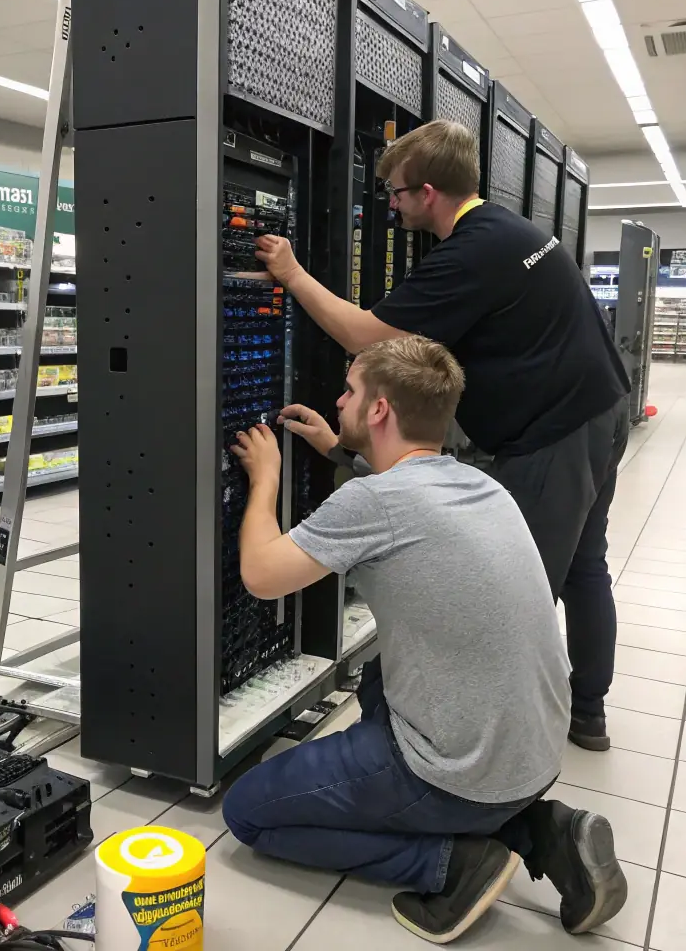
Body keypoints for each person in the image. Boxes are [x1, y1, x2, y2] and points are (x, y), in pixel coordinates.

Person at [220, 335, 627, 944]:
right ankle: (545, 832)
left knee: (246, 813)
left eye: (350, 392)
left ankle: (453, 865)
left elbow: (261, 575)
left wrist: (266, 477)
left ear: (379, 410)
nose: (337, 400)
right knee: (381, 675)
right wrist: (336, 447)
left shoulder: (372, 502)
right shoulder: (479, 484)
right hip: (536, 754)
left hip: (462, 770)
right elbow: (398, 494)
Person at [254, 120, 631, 751]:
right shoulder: (509, 230)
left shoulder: (472, 251)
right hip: (599, 411)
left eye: (396, 194)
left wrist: (292, 274)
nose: (392, 206)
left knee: (522, 583)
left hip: (557, 431)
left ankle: (505, 737)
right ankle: (586, 709)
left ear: (428, 192)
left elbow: (365, 337)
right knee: (585, 568)